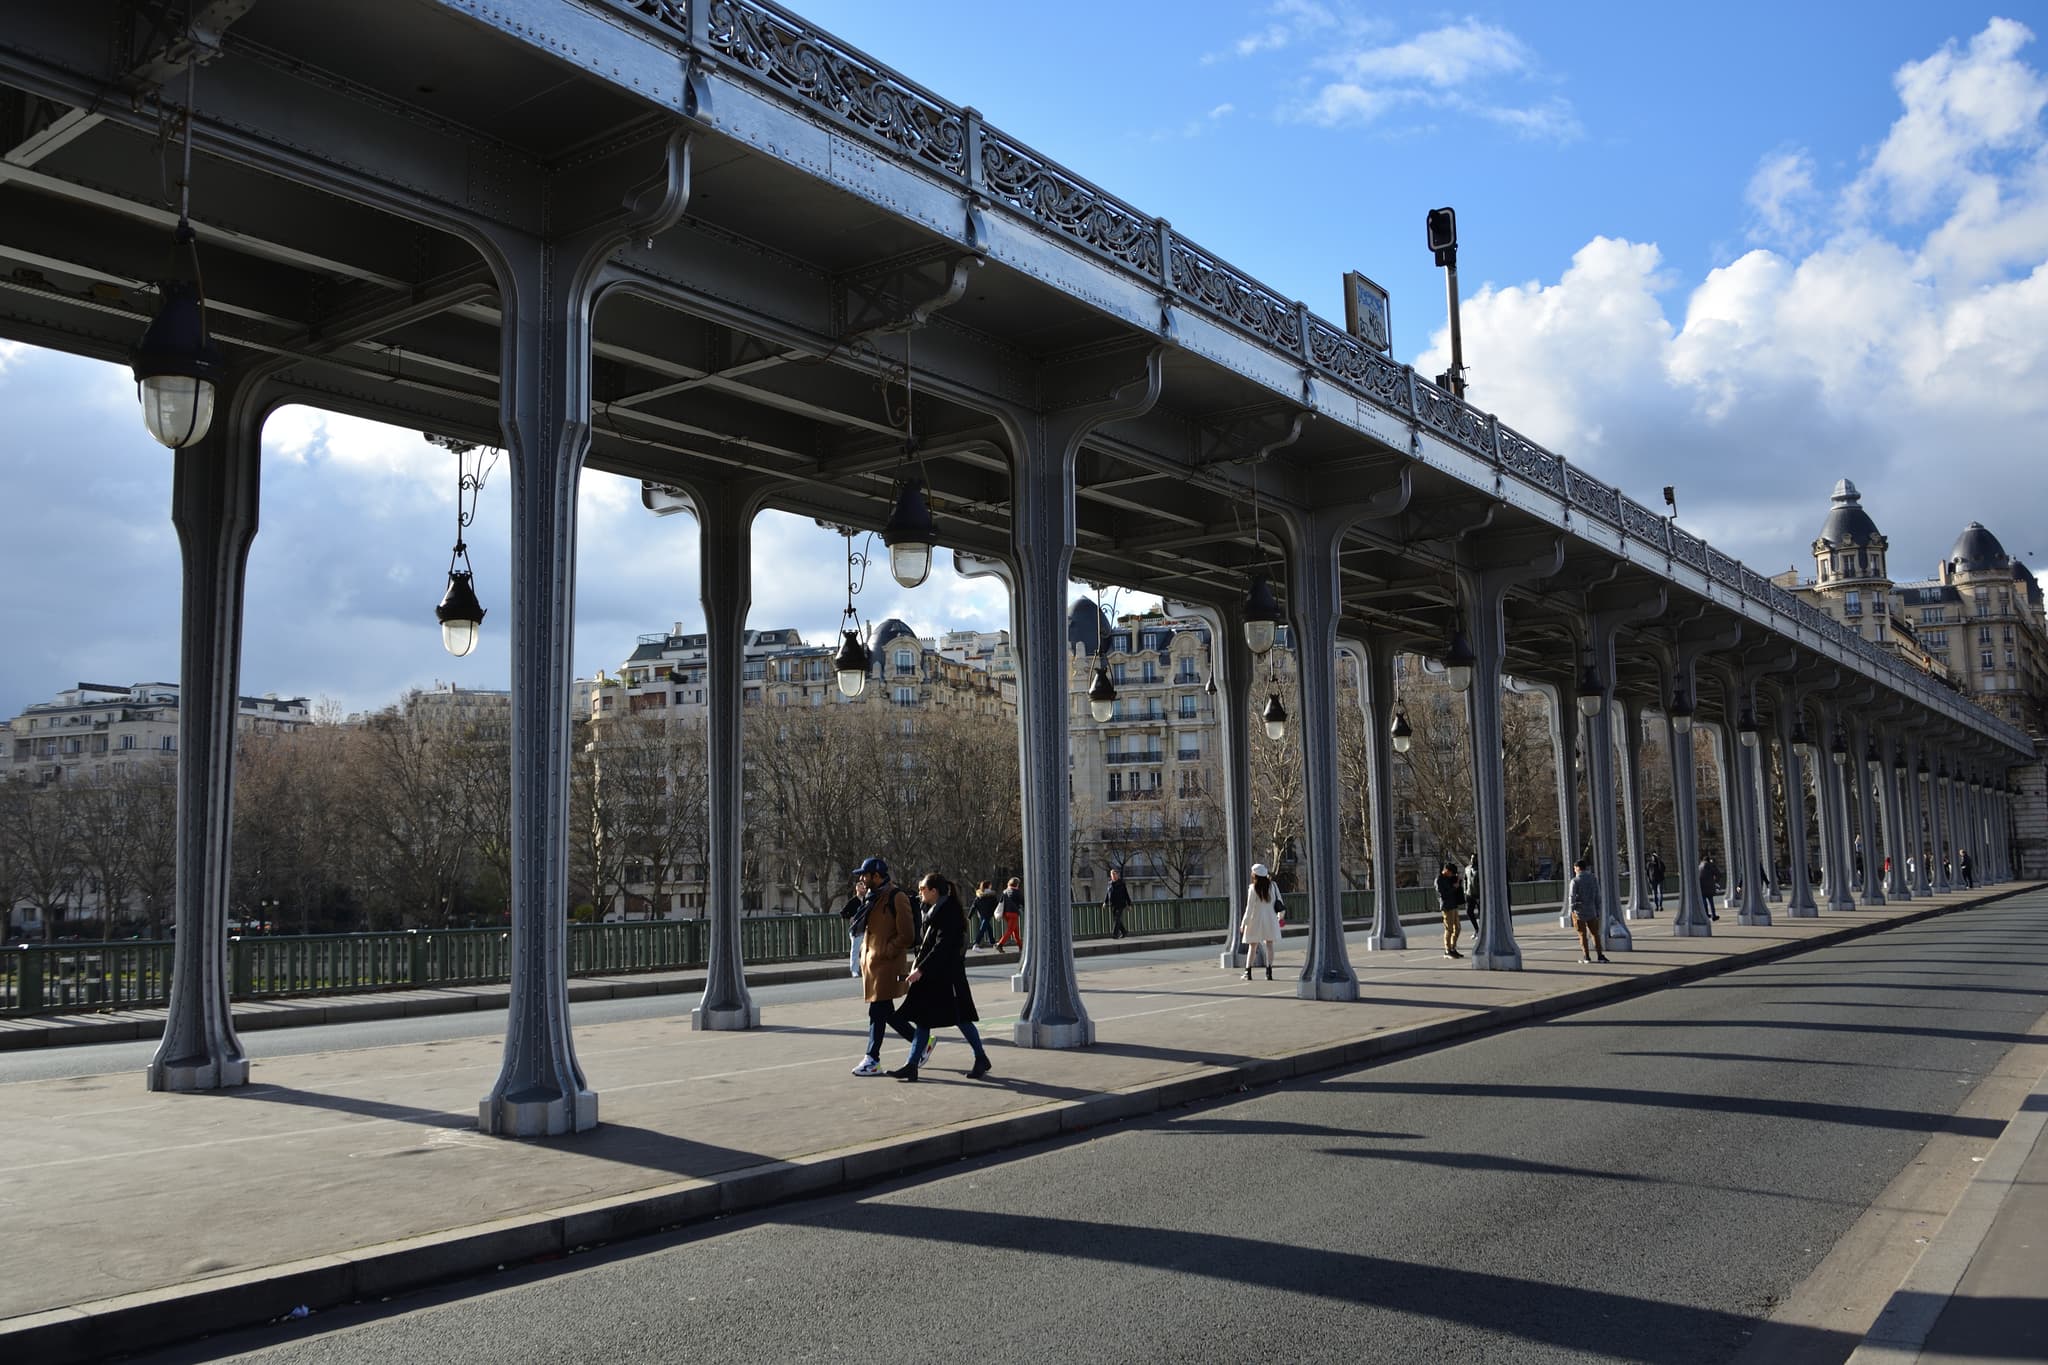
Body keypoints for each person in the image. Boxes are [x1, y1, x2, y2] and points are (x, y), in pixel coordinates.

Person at [890, 873, 994, 1081]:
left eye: (922, 889)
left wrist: (921, 969)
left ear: (934, 891)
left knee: (961, 1018)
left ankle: (981, 1057)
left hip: (948, 976)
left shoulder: (949, 912)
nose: (919, 893)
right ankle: (912, 1065)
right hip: (936, 975)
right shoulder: (936, 910)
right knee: (923, 1019)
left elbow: (943, 946)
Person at [848, 857, 919, 1077]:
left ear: (876, 876)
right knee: (884, 1011)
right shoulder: (873, 897)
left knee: (877, 1011)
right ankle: (920, 1040)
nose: (861, 878)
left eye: (865, 875)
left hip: (886, 964)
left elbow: (907, 934)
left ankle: (872, 1058)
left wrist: (887, 950)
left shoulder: (896, 897)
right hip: (873, 963)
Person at [1240, 863, 1283, 980]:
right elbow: (1280, 901)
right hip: (1270, 919)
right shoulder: (1273, 886)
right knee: (1270, 945)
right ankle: (1269, 972)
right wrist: (1280, 916)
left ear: (1255, 875)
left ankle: (1248, 972)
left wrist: (1244, 923)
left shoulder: (1253, 888)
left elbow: (1249, 909)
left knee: (1252, 946)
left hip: (1256, 920)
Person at [1569, 856, 1609, 963]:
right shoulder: (1593, 878)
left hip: (1579, 911)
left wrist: (1571, 909)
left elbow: (1571, 897)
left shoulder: (1575, 881)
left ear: (1578, 868)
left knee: (1582, 934)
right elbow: (1598, 895)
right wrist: (1598, 909)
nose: (1574, 869)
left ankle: (1586, 956)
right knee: (1595, 934)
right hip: (1592, 910)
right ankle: (1600, 955)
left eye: (1574, 867)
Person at [1434, 859, 1464, 960]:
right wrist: (1454, 887)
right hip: (1447, 906)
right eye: (1451, 873)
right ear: (1446, 870)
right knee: (1449, 929)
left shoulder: (1449, 878)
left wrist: (1457, 881)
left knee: (1458, 928)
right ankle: (1447, 950)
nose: (1452, 875)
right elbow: (1443, 894)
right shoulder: (1439, 880)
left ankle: (1453, 947)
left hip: (1454, 905)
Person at [968, 879, 1000, 950]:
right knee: (982, 929)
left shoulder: (978, 896)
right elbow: (997, 905)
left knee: (988, 928)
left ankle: (993, 943)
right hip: (988, 914)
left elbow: (973, 906)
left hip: (981, 914)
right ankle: (976, 944)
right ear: (988, 886)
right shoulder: (992, 896)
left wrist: (969, 916)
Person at [994, 876, 1023, 949]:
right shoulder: (1017, 892)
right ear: (1017, 884)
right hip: (1013, 913)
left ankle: (1021, 946)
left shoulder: (1005, 891)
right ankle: (1000, 944)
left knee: (1015, 930)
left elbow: (1001, 902)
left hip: (1006, 913)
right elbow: (1023, 902)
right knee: (1010, 930)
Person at [1105, 867, 1132, 940]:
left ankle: (1115, 934)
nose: (1113, 876)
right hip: (1112, 904)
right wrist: (1105, 902)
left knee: (1117, 918)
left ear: (1117, 875)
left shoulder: (1121, 883)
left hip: (1121, 904)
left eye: (1114, 874)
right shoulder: (1109, 883)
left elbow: (1126, 894)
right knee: (1117, 919)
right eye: (1112, 874)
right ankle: (1124, 931)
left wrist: (1129, 904)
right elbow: (1108, 894)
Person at [1698, 853, 1721, 920]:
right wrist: (1715, 881)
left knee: (1704, 901)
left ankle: (1706, 914)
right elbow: (1718, 874)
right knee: (1711, 901)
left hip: (1702, 886)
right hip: (1710, 886)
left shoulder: (1699, 867)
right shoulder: (1711, 866)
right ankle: (1713, 915)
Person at [1461, 855, 1481, 932]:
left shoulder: (1481, 869)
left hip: (1479, 894)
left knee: (1481, 913)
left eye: (1475, 859)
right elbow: (1465, 879)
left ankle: (1482, 929)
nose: (1473, 860)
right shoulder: (1467, 869)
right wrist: (1465, 891)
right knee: (1469, 912)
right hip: (1469, 894)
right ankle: (1476, 929)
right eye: (1472, 858)